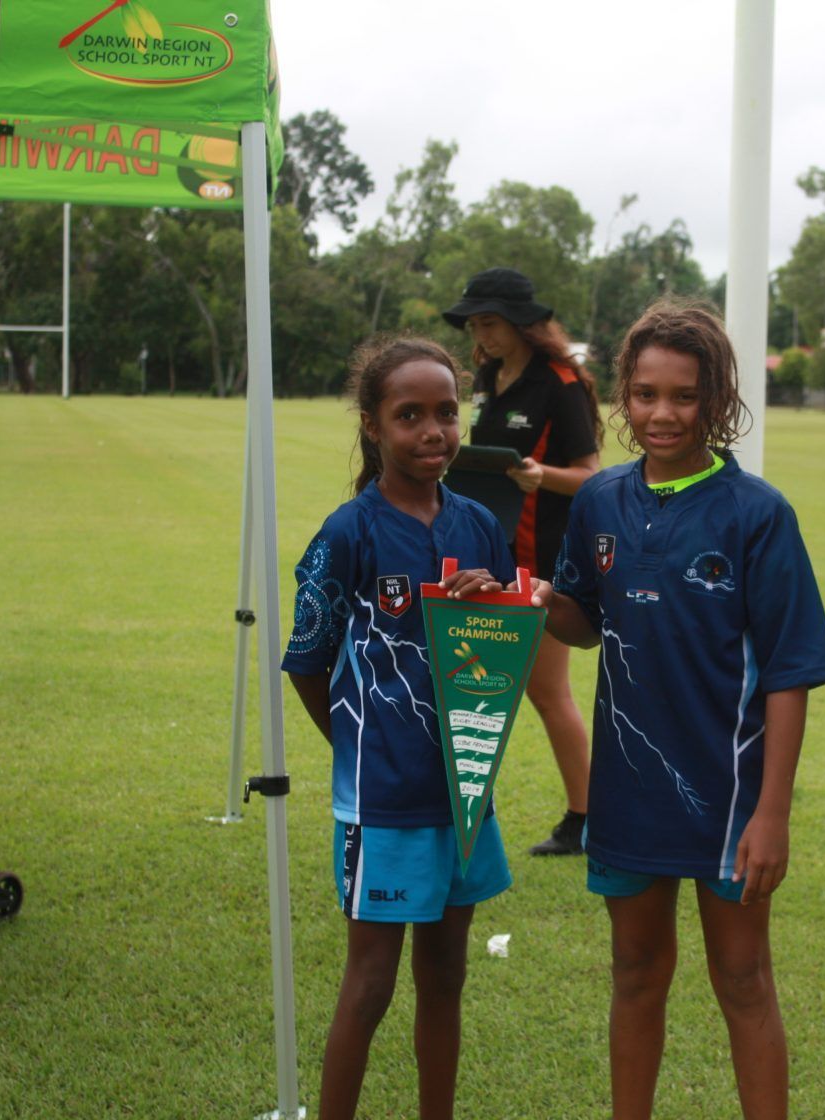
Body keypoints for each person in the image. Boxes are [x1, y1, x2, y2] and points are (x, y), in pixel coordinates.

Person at [545, 300, 825, 1120]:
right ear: (624, 400)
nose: (662, 414)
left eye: (683, 396)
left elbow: (789, 674)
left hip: (731, 798)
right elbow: (582, 621)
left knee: (743, 980)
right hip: (628, 788)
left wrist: (771, 813)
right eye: (644, 395)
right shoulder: (600, 501)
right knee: (636, 972)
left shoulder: (758, 515)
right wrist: (533, 601)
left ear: (717, 400)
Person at [282, 335, 551, 1120]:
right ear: (373, 425)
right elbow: (305, 660)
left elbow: (502, 646)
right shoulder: (349, 532)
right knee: (369, 984)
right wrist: (355, 746)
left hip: (465, 789)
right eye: (410, 416)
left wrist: (491, 600)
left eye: (445, 412)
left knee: (446, 976)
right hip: (385, 802)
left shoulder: (478, 522)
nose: (433, 432)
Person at [443, 267, 601, 856]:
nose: (479, 333)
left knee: (546, 691)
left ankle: (585, 818)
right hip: (485, 551)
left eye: (489, 322)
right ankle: (469, 807)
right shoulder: (486, 376)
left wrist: (540, 478)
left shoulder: (561, 382)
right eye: (474, 323)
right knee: (474, 682)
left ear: (524, 326)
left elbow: (590, 476)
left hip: (545, 558)